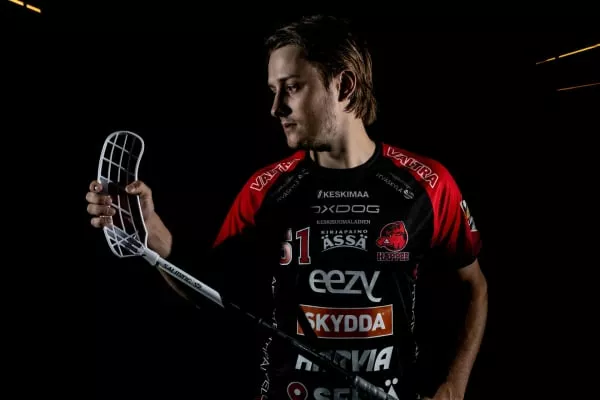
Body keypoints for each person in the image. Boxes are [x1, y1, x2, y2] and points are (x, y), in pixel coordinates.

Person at [87, 15, 488, 400]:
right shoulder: (265, 190)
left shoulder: (428, 184)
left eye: (292, 87)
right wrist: (151, 233)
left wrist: (453, 388)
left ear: (344, 86)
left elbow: (474, 287)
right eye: (272, 90)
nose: (276, 107)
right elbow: (209, 292)